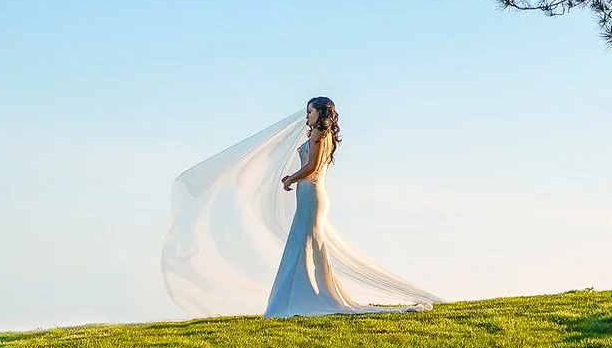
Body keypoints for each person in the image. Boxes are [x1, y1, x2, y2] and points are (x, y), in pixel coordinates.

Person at [162, 97, 437, 319]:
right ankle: (311, 294)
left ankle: (301, 299)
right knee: (308, 245)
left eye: (311, 112)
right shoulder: (320, 133)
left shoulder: (320, 133)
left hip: (311, 193)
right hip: (311, 195)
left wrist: (290, 178)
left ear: (321, 113)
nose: (307, 116)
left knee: (302, 244)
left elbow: (313, 167)